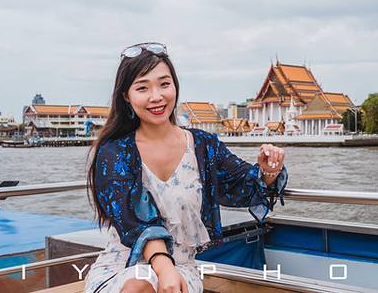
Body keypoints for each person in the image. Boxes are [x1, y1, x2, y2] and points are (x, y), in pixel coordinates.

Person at [85, 42, 288, 293]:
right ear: (127, 96)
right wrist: (163, 268)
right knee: (139, 285)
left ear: (175, 86)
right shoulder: (114, 152)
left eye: (164, 84)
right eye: (142, 88)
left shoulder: (203, 146)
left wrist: (269, 169)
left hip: (181, 268)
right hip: (123, 268)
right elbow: (136, 220)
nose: (156, 96)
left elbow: (242, 185)